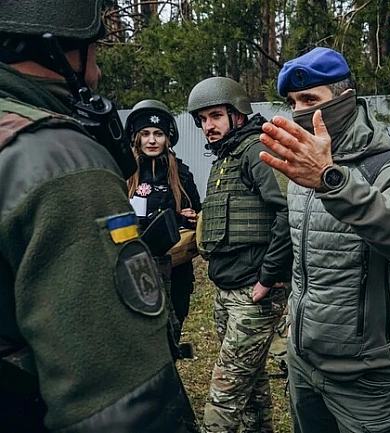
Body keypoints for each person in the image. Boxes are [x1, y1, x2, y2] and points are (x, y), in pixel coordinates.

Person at [0, 2, 197, 432]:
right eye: (96, 49)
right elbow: (123, 401)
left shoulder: (179, 171)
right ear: (60, 47)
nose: (100, 70)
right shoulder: (61, 162)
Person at [258, 47, 390, 433]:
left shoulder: (388, 166)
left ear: (344, 99)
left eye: (310, 100)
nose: (299, 111)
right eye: (292, 102)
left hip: (367, 379)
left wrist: (332, 181)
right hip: (304, 365)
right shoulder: (301, 166)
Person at [187, 76, 293, 433]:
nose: (208, 126)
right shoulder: (225, 157)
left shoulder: (256, 150)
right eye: (202, 119)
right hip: (227, 290)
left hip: (254, 294)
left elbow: (286, 211)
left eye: (216, 116)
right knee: (250, 385)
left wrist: (268, 276)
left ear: (238, 114)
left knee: (225, 393)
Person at [125, 99, 202, 335]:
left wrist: (191, 217)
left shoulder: (182, 174)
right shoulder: (124, 172)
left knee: (173, 330)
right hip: (135, 265)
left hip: (175, 269)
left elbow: (197, 213)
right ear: (136, 137)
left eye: (158, 134)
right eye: (145, 134)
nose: (152, 140)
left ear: (168, 138)